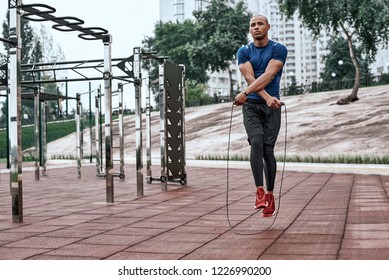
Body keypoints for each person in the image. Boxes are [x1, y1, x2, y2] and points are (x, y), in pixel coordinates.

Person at [234, 15, 287, 217]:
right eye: (252, 25)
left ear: (268, 27)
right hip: (253, 106)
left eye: (260, 24)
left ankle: (271, 195)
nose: (256, 27)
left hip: (272, 106)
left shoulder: (278, 49)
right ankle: (259, 192)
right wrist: (262, 97)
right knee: (256, 142)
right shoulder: (244, 51)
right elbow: (250, 77)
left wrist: (248, 93)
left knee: (267, 150)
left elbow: (268, 75)